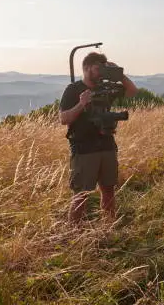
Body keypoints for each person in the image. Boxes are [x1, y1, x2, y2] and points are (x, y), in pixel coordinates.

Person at [59, 52, 138, 223]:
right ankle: (75, 235)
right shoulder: (73, 89)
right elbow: (64, 119)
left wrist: (118, 73)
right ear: (86, 68)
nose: (101, 72)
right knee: (81, 195)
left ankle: (108, 228)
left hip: (107, 145)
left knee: (108, 190)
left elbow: (132, 91)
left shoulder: (106, 88)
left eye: (103, 68)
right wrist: (82, 103)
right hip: (84, 149)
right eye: (97, 68)